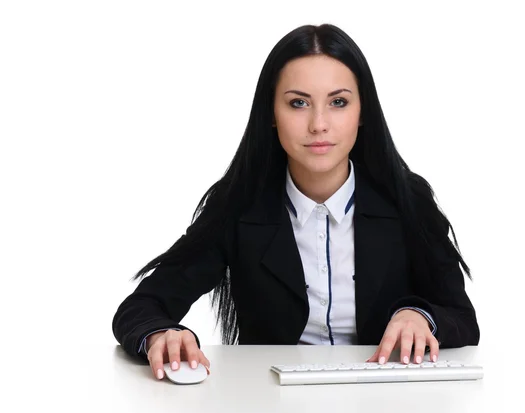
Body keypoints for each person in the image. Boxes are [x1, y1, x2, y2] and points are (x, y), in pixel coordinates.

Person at [112, 23, 480, 381]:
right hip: (271, 405)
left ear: (362, 111)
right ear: (272, 114)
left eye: (338, 102)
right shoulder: (238, 206)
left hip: (386, 405)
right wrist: (164, 335)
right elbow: (142, 307)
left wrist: (420, 316)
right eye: (298, 103)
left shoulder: (407, 200)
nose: (319, 124)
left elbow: (463, 319)